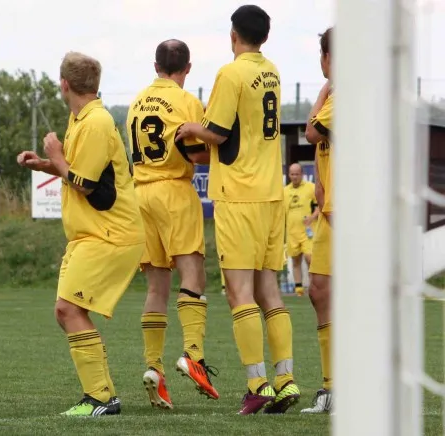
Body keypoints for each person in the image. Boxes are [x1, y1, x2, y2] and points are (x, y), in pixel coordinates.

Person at [176, 5, 300, 415]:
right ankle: (285, 379)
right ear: (265, 36)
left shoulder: (231, 73)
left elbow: (216, 132)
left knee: (239, 292)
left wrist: (190, 128)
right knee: (269, 291)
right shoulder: (273, 71)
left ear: (233, 35)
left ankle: (257, 383)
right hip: (271, 194)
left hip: (240, 194)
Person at [17, 52, 145, 417]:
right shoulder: (82, 118)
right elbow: (82, 172)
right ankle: (103, 396)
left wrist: (55, 154)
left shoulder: (95, 123)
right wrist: (45, 164)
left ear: (64, 84)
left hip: (109, 233)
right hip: (92, 233)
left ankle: (100, 398)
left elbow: (85, 185)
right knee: (67, 311)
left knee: (68, 309)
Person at [126, 39, 218, 410]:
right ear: (188, 68)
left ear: (155, 66)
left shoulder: (136, 102)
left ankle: (154, 367)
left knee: (156, 286)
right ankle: (193, 356)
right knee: (192, 272)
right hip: (174, 191)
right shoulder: (186, 101)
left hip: (140, 193)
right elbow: (197, 153)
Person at [301, 27, 334, 414]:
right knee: (319, 291)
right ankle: (331, 389)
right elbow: (321, 144)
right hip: (330, 211)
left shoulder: (345, 96)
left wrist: (325, 89)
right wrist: (321, 186)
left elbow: (312, 132)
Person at [283, 163, 318, 296]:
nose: (295, 177)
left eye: (297, 174)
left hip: (307, 232)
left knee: (310, 259)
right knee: (296, 260)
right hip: (292, 232)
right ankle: (299, 290)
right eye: (292, 174)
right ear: (289, 175)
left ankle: (313, 287)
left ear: (302, 174)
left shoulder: (311, 187)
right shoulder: (285, 191)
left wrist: (312, 217)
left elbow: (320, 206)